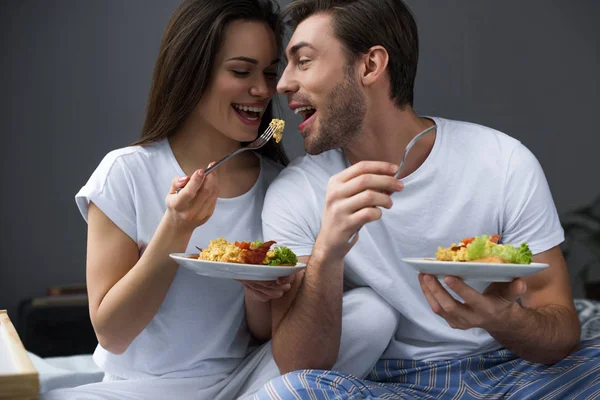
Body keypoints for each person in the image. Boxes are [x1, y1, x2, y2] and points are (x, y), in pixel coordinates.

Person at [42, 1, 399, 399]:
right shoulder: (126, 173)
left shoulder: (279, 185)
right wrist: (176, 228)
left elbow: (263, 333)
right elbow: (113, 333)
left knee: (371, 313)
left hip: (247, 380)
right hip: (143, 388)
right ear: (191, 72)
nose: (263, 90)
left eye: (268, 73)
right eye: (241, 71)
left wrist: (258, 288)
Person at [253, 0, 600, 398]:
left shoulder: (503, 161)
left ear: (370, 66)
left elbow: (560, 330)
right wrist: (327, 252)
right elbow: (297, 366)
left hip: (515, 375)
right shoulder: (296, 192)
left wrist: (504, 319)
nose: (282, 84)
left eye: (304, 61)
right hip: (391, 387)